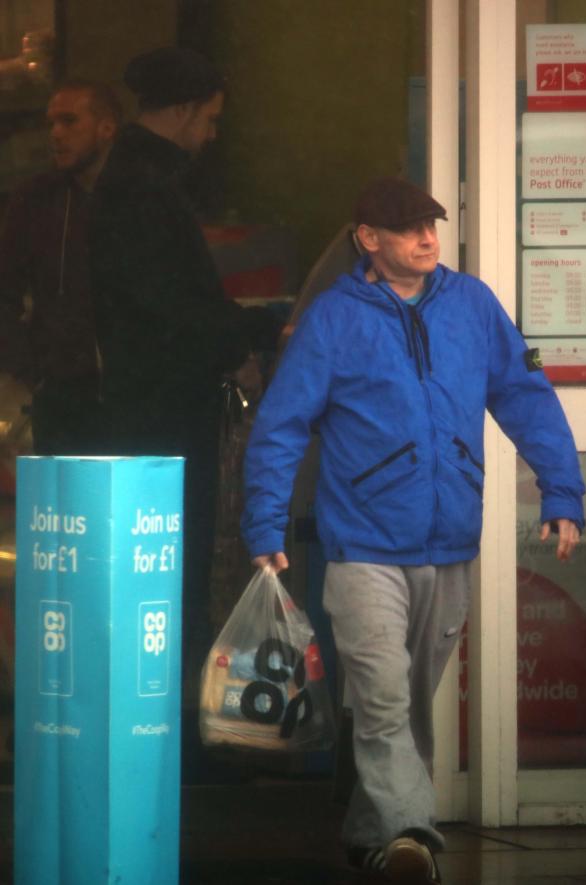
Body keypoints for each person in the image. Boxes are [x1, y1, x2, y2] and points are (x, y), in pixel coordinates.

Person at [241, 177, 586, 884]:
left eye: (433, 225)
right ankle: (408, 836)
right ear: (369, 239)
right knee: (384, 691)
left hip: (451, 540)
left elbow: (525, 396)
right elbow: (281, 425)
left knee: (407, 698)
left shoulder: (473, 305)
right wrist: (264, 521)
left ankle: (374, 833)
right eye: (409, 229)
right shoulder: (333, 318)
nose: (429, 238)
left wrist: (562, 490)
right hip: (362, 545)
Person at [88, 47, 282, 768]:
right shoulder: (145, 189)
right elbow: (171, 304)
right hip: (163, 414)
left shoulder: (135, 181)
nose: (212, 135)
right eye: (210, 119)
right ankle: (168, 735)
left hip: (153, 406)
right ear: (181, 111)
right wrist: (241, 339)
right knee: (173, 570)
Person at [0, 80, 121, 454]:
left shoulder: (134, 198)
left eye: (69, 121)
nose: (55, 134)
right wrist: (31, 369)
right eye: (51, 123)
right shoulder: (37, 200)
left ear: (106, 127)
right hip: (60, 384)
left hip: (128, 386)